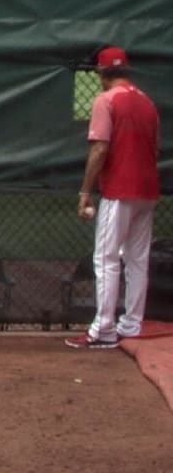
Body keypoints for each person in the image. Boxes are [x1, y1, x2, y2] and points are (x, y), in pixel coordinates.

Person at [65, 46, 160, 349]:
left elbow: (99, 149)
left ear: (102, 73)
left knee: (106, 258)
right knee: (137, 259)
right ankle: (131, 324)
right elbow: (155, 150)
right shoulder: (147, 102)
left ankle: (103, 329)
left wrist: (85, 192)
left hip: (119, 189)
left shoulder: (106, 100)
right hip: (147, 190)